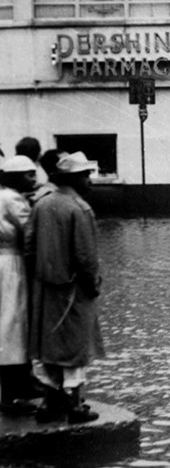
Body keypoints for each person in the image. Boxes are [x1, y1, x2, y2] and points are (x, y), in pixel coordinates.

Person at [25, 151, 105, 424]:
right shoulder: (79, 209)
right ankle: (74, 406)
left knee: (48, 347)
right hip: (73, 289)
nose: (90, 181)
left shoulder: (42, 204)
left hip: (45, 288)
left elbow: (29, 247)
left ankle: (50, 403)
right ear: (75, 179)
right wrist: (92, 285)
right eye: (86, 176)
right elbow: (86, 257)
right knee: (75, 347)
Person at [0, 156, 37, 415]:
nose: (34, 180)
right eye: (28, 175)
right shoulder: (12, 198)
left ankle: (18, 384)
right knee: (13, 323)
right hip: (12, 264)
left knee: (7, 323)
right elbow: (30, 230)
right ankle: (12, 393)